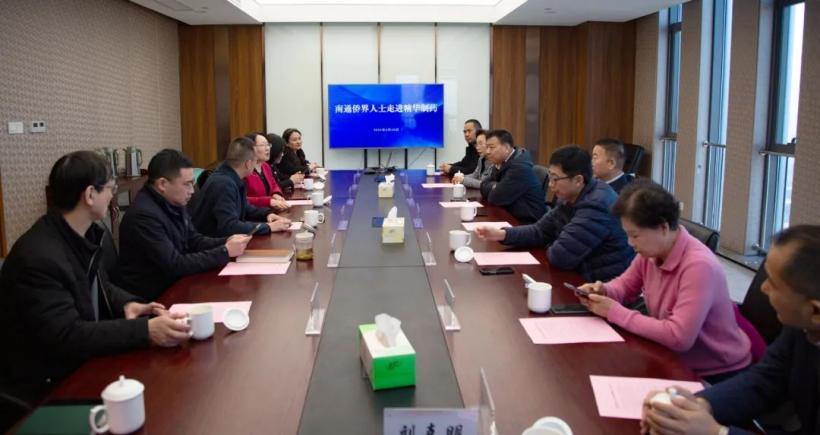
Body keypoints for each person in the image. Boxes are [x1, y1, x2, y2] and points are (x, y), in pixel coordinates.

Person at [0, 151, 190, 429]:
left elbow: (99, 284)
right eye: (110, 189)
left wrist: (127, 303)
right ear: (90, 195)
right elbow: (67, 335)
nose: (113, 196)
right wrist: (145, 330)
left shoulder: (81, 234)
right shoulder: (39, 258)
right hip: (50, 383)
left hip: (82, 359)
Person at [641, 225, 820, 435]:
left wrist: (715, 432)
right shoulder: (800, 326)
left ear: (815, 311)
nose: (763, 288)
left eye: (773, 283)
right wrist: (695, 405)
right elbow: (764, 380)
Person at [579, 180, 751, 383]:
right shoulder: (652, 252)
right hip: (671, 355)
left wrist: (614, 311)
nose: (630, 243)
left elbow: (679, 337)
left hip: (715, 372)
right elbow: (625, 285)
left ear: (663, 227)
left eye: (635, 235)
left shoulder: (699, 266)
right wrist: (603, 291)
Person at [477, 144, 633, 281]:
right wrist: (502, 234)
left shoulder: (597, 205)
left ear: (578, 180)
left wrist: (552, 241)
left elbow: (560, 257)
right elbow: (540, 230)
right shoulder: (570, 195)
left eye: (555, 179)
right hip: (578, 275)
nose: (551, 185)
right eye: (550, 177)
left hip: (602, 285)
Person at [117, 149, 252, 301]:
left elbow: (194, 240)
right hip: (154, 299)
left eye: (192, 184)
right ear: (162, 184)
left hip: (177, 285)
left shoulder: (172, 201)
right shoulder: (144, 216)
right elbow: (175, 264)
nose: (192, 191)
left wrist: (227, 240)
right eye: (187, 184)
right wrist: (224, 251)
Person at [190, 136, 292, 237]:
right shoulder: (223, 184)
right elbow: (229, 226)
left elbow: (246, 207)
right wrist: (268, 227)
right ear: (248, 164)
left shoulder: (232, 176)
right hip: (213, 242)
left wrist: (267, 214)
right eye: (255, 161)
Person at [477, 129, 545, 223]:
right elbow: (483, 185)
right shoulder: (500, 162)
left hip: (525, 221)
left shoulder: (519, 168)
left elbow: (495, 198)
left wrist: (496, 188)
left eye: (491, 147)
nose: (487, 151)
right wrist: (495, 186)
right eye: (487, 147)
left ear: (506, 148)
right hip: (509, 213)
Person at [244, 132, 290, 212]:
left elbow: (274, 185)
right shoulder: (244, 170)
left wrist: (276, 194)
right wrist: (269, 201)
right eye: (263, 145)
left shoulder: (265, 166)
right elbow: (242, 199)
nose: (267, 148)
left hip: (267, 211)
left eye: (268, 145)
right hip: (252, 214)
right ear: (251, 148)